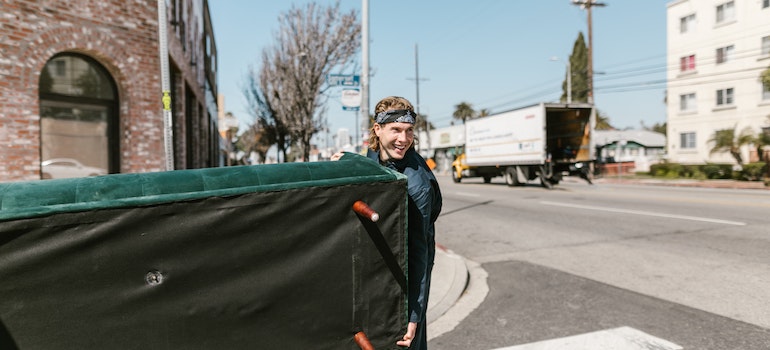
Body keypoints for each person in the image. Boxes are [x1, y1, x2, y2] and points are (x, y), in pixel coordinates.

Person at [333, 96, 442, 349]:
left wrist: (414, 315)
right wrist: (351, 160)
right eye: (396, 130)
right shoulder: (376, 153)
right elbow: (371, 167)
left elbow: (419, 254)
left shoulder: (417, 187)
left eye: (409, 131)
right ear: (378, 129)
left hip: (408, 270)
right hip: (381, 260)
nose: (403, 140)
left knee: (405, 341)